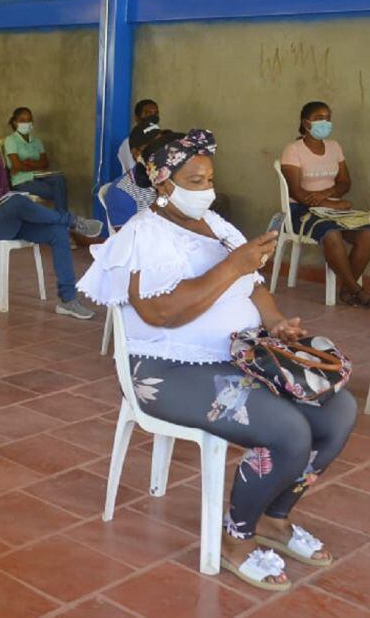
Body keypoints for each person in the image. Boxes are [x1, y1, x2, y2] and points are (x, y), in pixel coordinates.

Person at [78, 129, 356, 593]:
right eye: (194, 179)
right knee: (288, 430)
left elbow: (256, 288)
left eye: (209, 177)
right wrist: (233, 265)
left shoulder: (218, 225)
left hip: (239, 357)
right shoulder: (143, 235)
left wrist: (276, 323)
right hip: (167, 371)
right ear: (163, 183)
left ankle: (274, 519)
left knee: (339, 410)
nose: (206, 188)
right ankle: (237, 540)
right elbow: (160, 312)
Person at [0, 112, 101, 320]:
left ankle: (68, 300)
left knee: (57, 232)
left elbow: (6, 192)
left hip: (12, 219)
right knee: (17, 202)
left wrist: (14, 204)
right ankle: (72, 220)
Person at [280, 101, 370, 307]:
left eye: (328, 118)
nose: (325, 122)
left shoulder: (334, 147)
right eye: (319, 118)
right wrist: (330, 203)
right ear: (306, 122)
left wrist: (326, 197)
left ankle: (347, 290)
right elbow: (296, 191)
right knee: (331, 233)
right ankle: (357, 290)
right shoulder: (293, 150)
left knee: (368, 234)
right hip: (301, 210)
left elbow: (345, 183)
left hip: (332, 208)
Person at [95, 117, 164, 237]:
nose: (162, 152)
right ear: (136, 154)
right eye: (153, 147)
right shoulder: (121, 192)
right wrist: (163, 198)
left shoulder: (173, 177)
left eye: (163, 145)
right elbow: (128, 240)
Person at [2, 107, 69, 213]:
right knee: (59, 191)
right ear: (15, 122)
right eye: (22, 120)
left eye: (29, 120)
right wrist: (36, 164)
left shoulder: (36, 141)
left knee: (59, 178)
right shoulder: (11, 140)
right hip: (21, 180)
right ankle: (63, 220)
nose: (26, 123)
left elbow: (45, 163)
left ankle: (61, 220)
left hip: (39, 176)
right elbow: (17, 166)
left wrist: (28, 162)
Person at [117, 99, 159, 173]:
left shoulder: (160, 138)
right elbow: (134, 171)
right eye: (147, 113)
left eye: (155, 113)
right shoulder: (127, 144)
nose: (152, 116)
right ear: (136, 118)